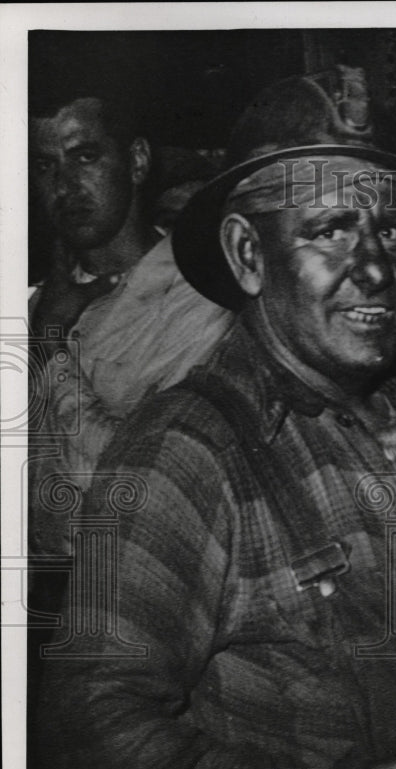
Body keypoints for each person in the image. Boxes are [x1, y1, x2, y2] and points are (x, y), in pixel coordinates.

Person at [35, 70, 396, 769]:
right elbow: (88, 730)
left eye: (391, 230)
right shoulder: (186, 451)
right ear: (247, 253)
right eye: (330, 229)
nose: (374, 267)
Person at [27, 87, 234, 565]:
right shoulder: (38, 304)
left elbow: (144, 491)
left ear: (137, 162)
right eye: (45, 166)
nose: (65, 185)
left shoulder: (200, 303)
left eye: (85, 157)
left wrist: (51, 347)